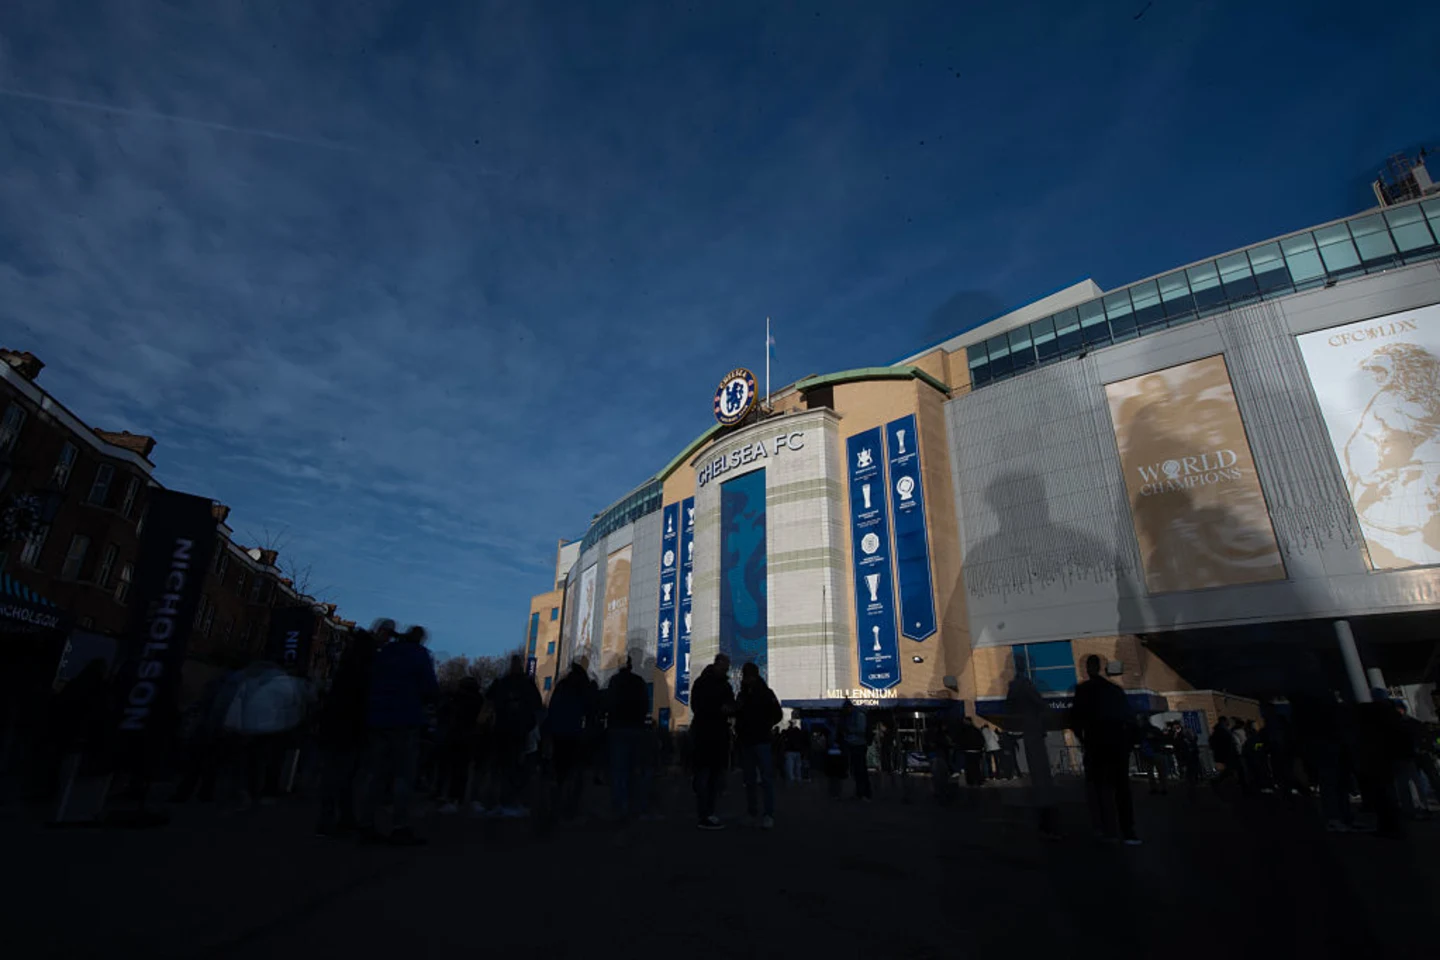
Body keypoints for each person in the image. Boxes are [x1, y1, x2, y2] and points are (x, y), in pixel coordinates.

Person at [357, 625, 438, 845]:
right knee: (403, 774)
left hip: (378, 718)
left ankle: (365, 823)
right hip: (405, 718)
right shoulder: (418, 656)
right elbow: (429, 686)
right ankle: (399, 825)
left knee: (375, 772)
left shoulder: (386, 653)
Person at [314, 624, 382, 835]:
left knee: (334, 773)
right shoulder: (365, 672)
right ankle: (341, 818)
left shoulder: (344, 667)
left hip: (335, 724)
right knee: (346, 775)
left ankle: (333, 819)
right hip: (351, 727)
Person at [1070, 655, 1139, 844]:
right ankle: (1128, 830)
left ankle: (1107, 829)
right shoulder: (1115, 690)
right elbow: (1130, 718)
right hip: (1117, 743)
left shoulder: (1083, 690)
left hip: (1096, 743)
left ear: (1087, 668)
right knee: (1121, 787)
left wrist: (1083, 739)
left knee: (1100, 788)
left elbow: (1075, 719)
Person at [485, 655, 543, 818]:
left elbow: (489, 699)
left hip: (507, 730)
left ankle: (501, 801)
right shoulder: (524, 684)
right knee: (515, 766)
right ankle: (510, 801)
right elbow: (537, 705)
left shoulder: (504, 683)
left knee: (505, 766)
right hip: (516, 731)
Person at [1007, 669, 1060, 839]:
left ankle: (1046, 822)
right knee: (1043, 779)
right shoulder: (1026, 690)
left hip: (1029, 732)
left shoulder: (1015, 694)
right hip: (1033, 733)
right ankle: (1048, 824)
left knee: (1040, 779)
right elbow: (1039, 703)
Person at [690, 654, 735, 829]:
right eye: (724, 667)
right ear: (717, 665)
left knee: (710, 775)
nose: (726, 670)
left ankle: (708, 812)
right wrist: (721, 709)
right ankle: (706, 814)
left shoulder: (718, 684)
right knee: (707, 775)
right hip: (708, 733)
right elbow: (699, 707)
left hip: (711, 733)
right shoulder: (708, 684)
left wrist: (729, 709)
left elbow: (730, 706)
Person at [734, 662, 782, 828]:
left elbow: (778, 714)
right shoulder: (743, 695)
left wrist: (764, 724)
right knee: (750, 779)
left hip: (760, 740)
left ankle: (767, 814)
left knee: (765, 779)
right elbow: (737, 713)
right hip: (748, 740)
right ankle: (753, 811)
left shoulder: (765, 693)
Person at [606, 653, 652, 821]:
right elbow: (646, 704)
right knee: (636, 769)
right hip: (636, 728)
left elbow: (608, 703)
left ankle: (620, 806)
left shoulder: (614, 681)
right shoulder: (639, 682)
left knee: (619, 770)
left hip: (618, 728)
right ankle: (638, 806)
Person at [544, 663, 593, 821]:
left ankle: (554, 805)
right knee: (575, 771)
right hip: (575, 733)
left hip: (559, 733)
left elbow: (552, 709)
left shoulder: (561, 687)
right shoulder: (581, 689)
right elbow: (589, 709)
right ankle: (570, 807)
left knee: (559, 770)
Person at [435, 676, 484, 815]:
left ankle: (447, 796)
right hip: (469, 737)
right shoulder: (477, 699)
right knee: (462, 770)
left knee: (448, 768)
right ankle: (458, 798)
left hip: (454, 736)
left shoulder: (455, 699)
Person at [842, 699, 872, 801]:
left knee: (861, 770)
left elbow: (860, 730)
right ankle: (859, 793)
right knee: (856, 771)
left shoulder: (859, 715)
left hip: (859, 744)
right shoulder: (852, 715)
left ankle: (865, 793)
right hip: (853, 744)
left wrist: (849, 729)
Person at [1209, 716, 1242, 793]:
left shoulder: (1217, 730)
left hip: (1222, 755)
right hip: (1227, 755)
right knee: (1230, 770)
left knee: (1228, 771)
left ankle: (1219, 782)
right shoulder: (1223, 730)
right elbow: (1229, 743)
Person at [958, 716, 986, 787]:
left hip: (968, 751)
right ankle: (979, 781)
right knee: (976, 767)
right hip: (977, 751)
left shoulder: (964, 730)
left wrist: (962, 748)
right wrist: (980, 748)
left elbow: (961, 741)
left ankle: (971, 781)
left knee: (969, 767)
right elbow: (982, 740)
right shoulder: (976, 730)